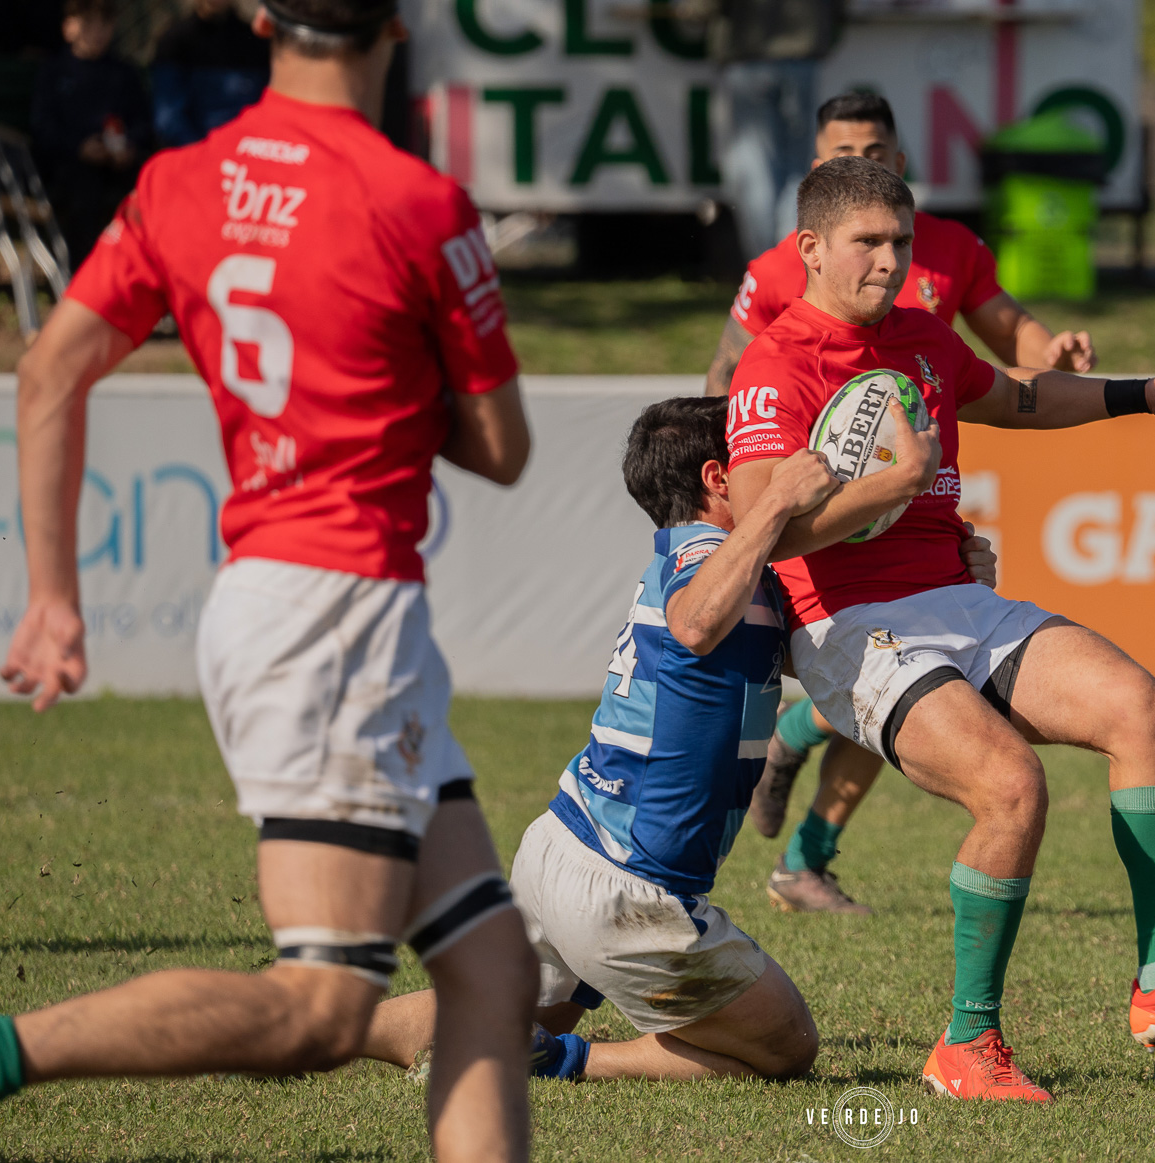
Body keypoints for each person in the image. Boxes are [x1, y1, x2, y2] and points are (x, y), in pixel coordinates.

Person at [0, 3, 539, 1158]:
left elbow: (47, 372)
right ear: (391, 22)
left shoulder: (184, 179)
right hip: (339, 611)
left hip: (287, 598)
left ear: (263, 17)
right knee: (321, 1009)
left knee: (490, 966)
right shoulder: (419, 202)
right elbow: (503, 449)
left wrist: (53, 596)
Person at [723, 155, 1155, 1101]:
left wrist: (1147, 393)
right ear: (811, 249)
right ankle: (968, 1045)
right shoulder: (776, 365)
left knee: (1144, 708)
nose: (890, 261)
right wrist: (892, 487)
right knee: (1010, 784)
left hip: (959, 600)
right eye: (868, 243)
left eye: (900, 243)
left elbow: (1020, 397)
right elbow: (755, 525)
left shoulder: (920, 338)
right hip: (848, 623)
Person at [359, 397, 1000, 1083]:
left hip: (563, 845)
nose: (776, 467)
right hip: (628, 888)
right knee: (787, 1047)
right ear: (722, 479)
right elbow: (696, 621)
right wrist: (776, 504)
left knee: (514, 1008)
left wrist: (950, 591)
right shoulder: (707, 556)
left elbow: (843, 655)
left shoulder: (725, 570)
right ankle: (555, 1063)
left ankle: (324, 1020)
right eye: (762, 459)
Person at [706, 91, 1098, 916]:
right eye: (845, 151)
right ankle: (804, 750)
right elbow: (731, 386)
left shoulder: (948, 248)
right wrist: (748, 496)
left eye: (878, 151)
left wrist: (1053, 352)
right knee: (901, 684)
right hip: (828, 516)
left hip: (924, 500)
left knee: (921, 684)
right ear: (816, 174)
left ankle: (806, 836)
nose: (866, 164)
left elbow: (1009, 347)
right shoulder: (781, 272)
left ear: (902, 161)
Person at [710, 0, 842, 261]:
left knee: (756, 168)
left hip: (749, 50)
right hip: (802, 50)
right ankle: (790, 263)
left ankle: (768, 266)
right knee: (797, 168)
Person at [29, 0, 152, 269]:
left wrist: (129, 147)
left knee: (146, 188)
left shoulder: (124, 74)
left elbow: (143, 122)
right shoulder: (54, 72)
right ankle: (82, 275)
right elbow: (43, 128)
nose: (96, 31)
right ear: (68, 28)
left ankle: (135, 270)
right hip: (68, 166)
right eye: (87, 23)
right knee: (83, 192)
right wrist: (78, 148)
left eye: (104, 24)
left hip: (118, 163)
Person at [151, 0, 272, 148]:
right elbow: (169, 118)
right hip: (197, 153)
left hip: (248, 150)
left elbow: (268, 108)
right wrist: (205, 154)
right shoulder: (174, 42)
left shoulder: (256, 42)